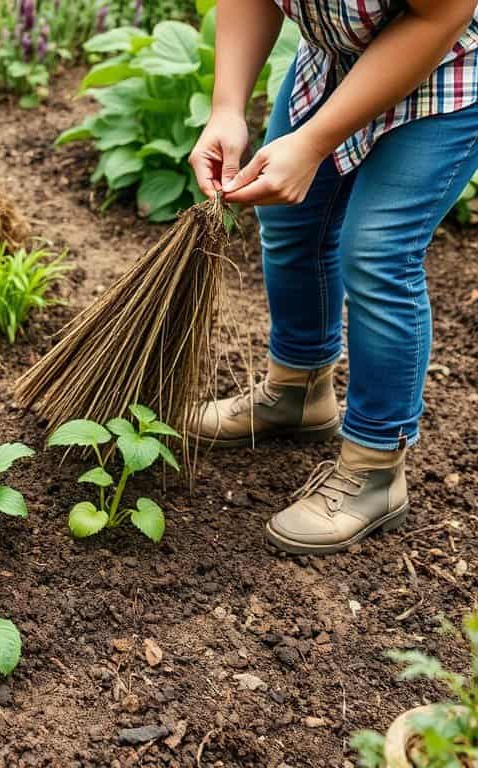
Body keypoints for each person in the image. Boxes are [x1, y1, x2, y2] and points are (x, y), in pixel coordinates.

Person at [188, 0, 478, 555]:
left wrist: (315, 142)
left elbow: (437, 18)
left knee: (377, 253)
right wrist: (226, 108)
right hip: (330, 62)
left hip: (448, 68)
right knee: (292, 220)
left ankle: (376, 467)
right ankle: (298, 392)